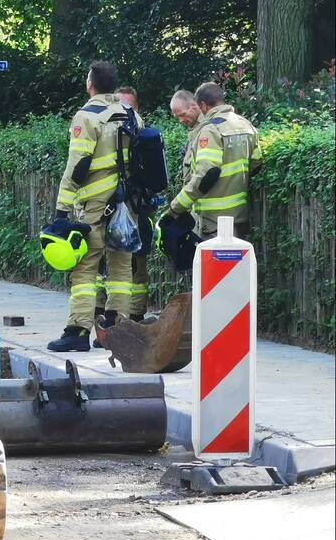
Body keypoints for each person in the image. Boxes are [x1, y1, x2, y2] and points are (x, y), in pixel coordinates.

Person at [48, 62, 143, 352]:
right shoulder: (131, 115)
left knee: (85, 268)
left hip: (95, 205)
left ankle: (77, 331)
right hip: (127, 205)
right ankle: (118, 329)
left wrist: (62, 210)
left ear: (91, 85)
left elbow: (77, 166)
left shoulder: (86, 117)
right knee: (122, 268)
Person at [163, 82, 260, 239]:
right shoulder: (246, 124)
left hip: (214, 219)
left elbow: (206, 174)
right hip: (240, 215)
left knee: (216, 263)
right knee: (236, 263)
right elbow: (256, 164)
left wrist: (175, 208)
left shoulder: (211, 129)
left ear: (202, 105)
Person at [92, 85, 150, 329]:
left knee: (133, 264)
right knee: (96, 264)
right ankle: (98, 315)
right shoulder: (100, 129)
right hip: (103, 206)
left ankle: (132, 317)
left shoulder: (143, 134)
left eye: (130, 106)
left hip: (134, 206)